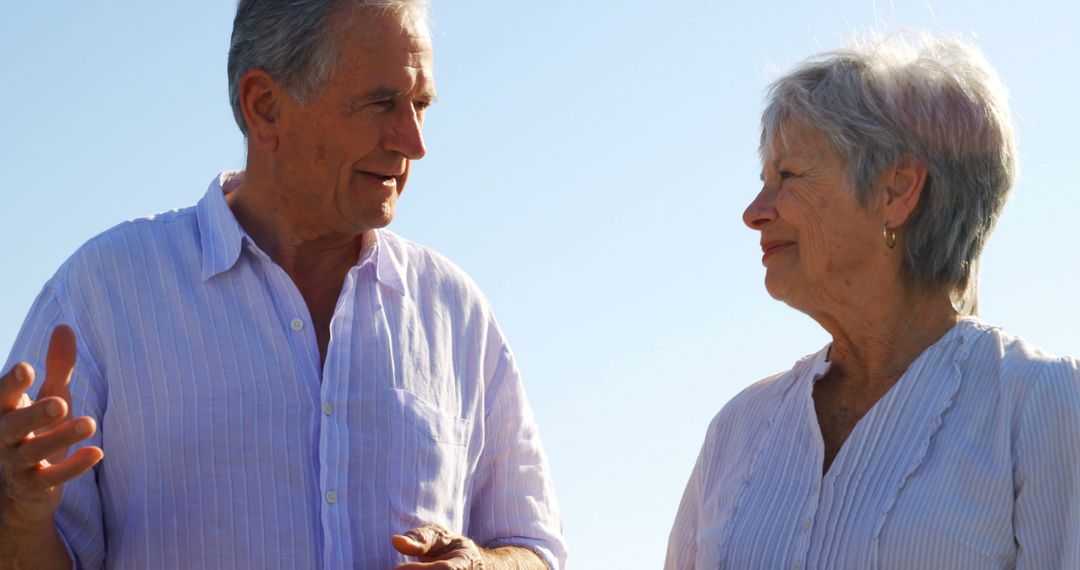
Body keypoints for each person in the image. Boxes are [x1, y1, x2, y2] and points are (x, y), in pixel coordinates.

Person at [0, 1, 566, 568]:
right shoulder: (102, 296)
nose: (414, 142)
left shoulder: (455, 314)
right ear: (265, 107)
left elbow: (538, 549)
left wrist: (483, 566)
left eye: (420, 105)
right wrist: (15, 515)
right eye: (381, 103)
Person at [666, 32, 1080, 570]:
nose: (755, 211)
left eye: (787, 175)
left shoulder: (1044, 407)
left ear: (896, 191)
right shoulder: (739, 429)